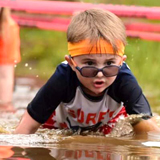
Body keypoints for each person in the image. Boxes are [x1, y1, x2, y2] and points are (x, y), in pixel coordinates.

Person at [15, 8, 160, 134]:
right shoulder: (62, 78)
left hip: (105, 128)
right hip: (59, 127)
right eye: (90, 63)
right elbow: (26, 127)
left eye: (110, 63)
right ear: (72, 63)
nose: (100, 73)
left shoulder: (124, 79)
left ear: (121, 62)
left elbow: (148, 128)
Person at [0, 7, 21, 111]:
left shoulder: (8, 28)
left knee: (5, 72)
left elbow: (5, 74)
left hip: (5, 29)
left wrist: (5, 104)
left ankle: (5, 103)